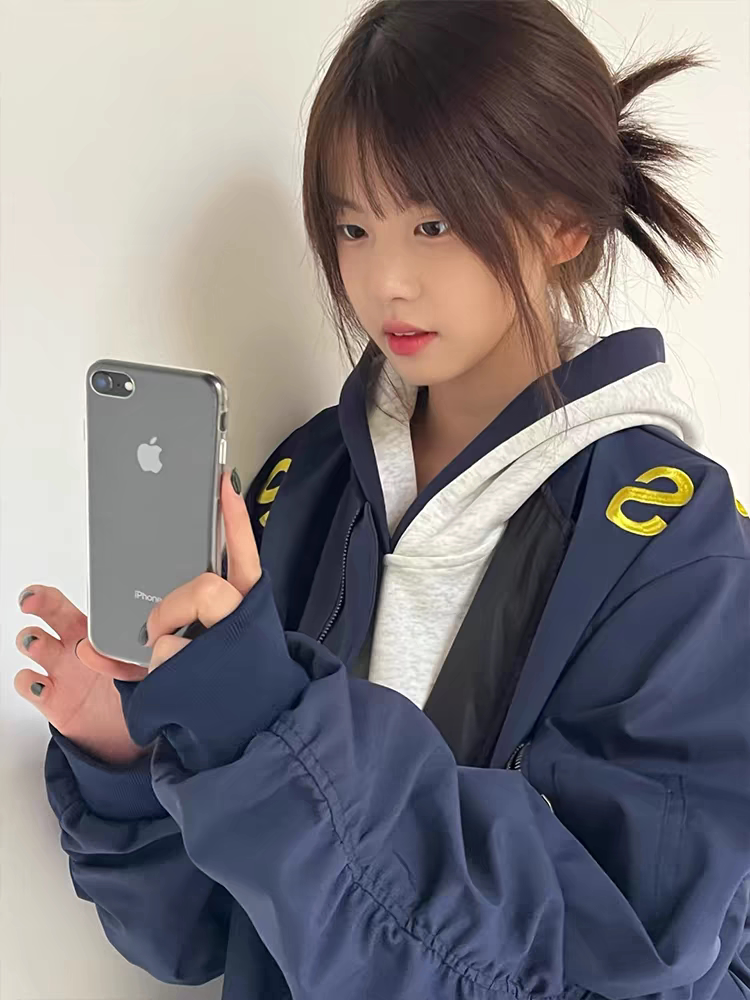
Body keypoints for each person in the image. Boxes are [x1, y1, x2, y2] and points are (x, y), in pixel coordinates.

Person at [14, 1, 750, 997]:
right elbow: (203, 934)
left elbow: (615, 951)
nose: (386, 279)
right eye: (353, 227)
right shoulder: (303, 482)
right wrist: (122, 755)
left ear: (564, 223)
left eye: (433, 224)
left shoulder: (678, 548)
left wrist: (272, 723)